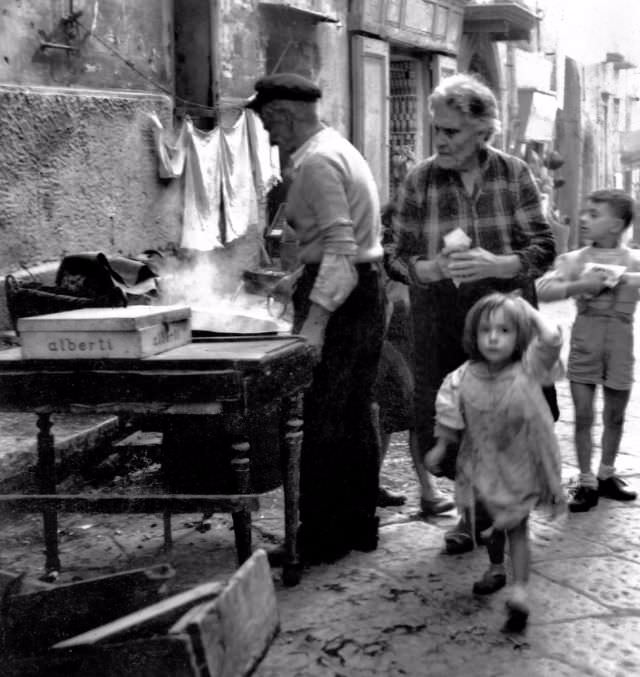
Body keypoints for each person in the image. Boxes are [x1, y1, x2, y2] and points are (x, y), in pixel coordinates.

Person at [393, 72, 557, 554]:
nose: (439, 140)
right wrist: (426, 269)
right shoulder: (420, 179)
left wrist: (499, 262)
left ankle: (493, 515)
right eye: (436, 130)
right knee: (449, 419)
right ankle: (471, 513)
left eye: (452, 131)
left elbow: (544, 246)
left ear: (484, 132)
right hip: (441, 316)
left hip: (503, 314)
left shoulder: (512, 174)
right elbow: (393, 251)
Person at [246, 73, 386, 563]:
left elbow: (341, 253)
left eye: (269, 122)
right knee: (352, 412)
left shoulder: (317, 163)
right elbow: (341, 246)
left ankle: (322, 537)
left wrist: (315, 326)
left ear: (284, 114)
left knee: (323, 417)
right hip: (364, 288)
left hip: (344, 296)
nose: (269, 134)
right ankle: (357, 526)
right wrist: (295, 279)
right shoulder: (337, 148)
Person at [425, 293, 565, 633]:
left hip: (519, 466)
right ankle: (495, 567)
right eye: (485, 329)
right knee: (487, 521)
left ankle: (519, 590)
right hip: (481, 465)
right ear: (473, 335)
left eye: (504, 330)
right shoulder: (463, 375)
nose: (493, 337)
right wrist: (442, 446)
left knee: (516, 525)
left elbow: (551, 338)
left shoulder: (529, 368)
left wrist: (526, 310)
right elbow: (448, 406)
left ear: (519, 335)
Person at [536, 189, 640, 512]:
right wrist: (580, 286)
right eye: (585, 212)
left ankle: (606, 473)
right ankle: (585, 480)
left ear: (616, 225)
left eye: (594, 215)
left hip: (621, 342)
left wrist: (627, 281)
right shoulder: (575, 259)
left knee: (616, 414)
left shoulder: (633, 260)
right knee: (583, 414)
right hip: (586, 339)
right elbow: (542, 288)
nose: (583, 219)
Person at [375, 203, 454, 515]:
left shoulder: (424, 254)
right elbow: (388, 304)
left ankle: (415, 488)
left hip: (415, 340)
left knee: (398, 417)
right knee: (403, 415)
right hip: (392, 343)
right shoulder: (391, 256)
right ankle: (426, 491)